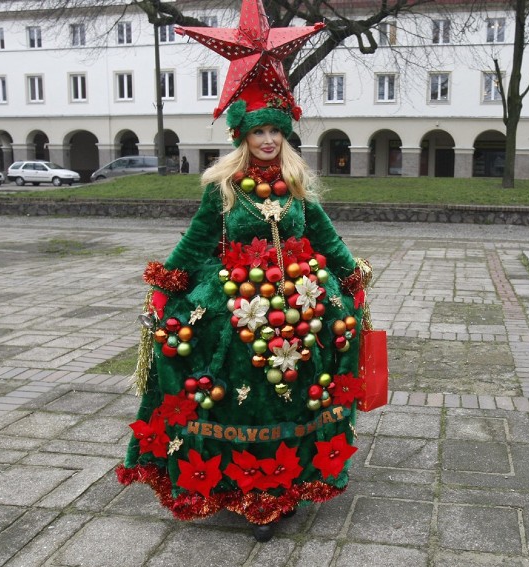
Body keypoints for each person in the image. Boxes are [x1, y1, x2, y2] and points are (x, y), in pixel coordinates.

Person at [117, 1, 370, 542]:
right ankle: (245, 486)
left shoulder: (298, 184)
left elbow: (324, 235)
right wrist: (168, 283)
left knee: (300, 391)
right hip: (239, 306)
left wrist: (349, 276)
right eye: (259, 133)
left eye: (276, 132)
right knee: (242, 391)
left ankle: (287, 484)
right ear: (242, 137)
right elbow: (196, 242)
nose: (268, 141)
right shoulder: (224, 189)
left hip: (301, 305)